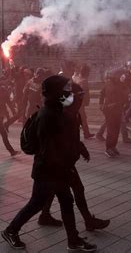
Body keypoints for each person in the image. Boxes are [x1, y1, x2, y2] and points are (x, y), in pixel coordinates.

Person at [1, 75, 96, 252]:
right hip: (48, 170)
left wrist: (77, 150)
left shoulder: (58, 110)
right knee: (36, 203)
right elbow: (49, 148)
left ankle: (73, 240)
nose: (69, 93)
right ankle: (11, 230)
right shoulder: (48, 115)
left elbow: (66, 137)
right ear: (56, 92)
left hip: (57, 169)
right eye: (66, 89)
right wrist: (65, 166)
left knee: (66, 201)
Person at [37, 78, 110, 232]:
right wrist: (70, 156)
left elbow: (72, 137)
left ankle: (44, 215)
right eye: (79, 97)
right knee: (74, 191)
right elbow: (59, 140)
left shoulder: (70, 112)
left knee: (53, 191)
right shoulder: (62, 113)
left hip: (61, 162)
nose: (81, 101)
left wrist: (81, 148)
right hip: (59, 162)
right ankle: (84, 225)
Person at [0, 76, 20, 156]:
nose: (6, 83)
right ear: (1, 81)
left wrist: (14, 111)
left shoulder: (3, 90)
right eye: (5, 81)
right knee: (4, 134)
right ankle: (11, 151)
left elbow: (8, 101)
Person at [102, 69, 129, 158]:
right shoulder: (108, 83)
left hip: (118, 109)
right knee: (111, 130)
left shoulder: (121, 84)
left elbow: (124, 95)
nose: (123, 77)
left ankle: (113, 146)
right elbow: (102, 93)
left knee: (116, 130)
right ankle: (108, 148)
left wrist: (125, 102)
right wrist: (100, 104)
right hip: (110, 110)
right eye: (121, 76)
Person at [74, 64, 95, 139]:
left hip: (75, 101)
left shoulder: (76, 78)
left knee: (82, 118)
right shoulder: (84, 81)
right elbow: (83, 93)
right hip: (79, 103)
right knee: (82, 118)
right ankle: (86, 133)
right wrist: (86, 101)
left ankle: (86, 133)